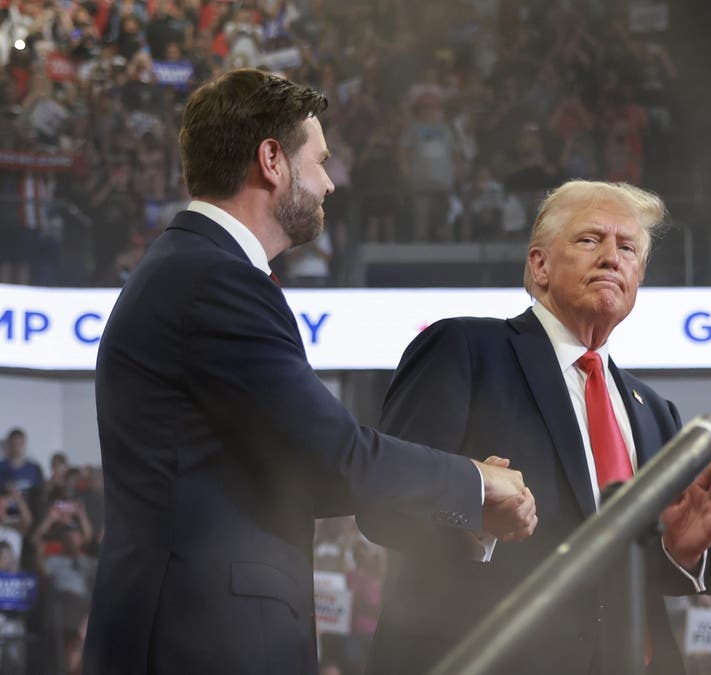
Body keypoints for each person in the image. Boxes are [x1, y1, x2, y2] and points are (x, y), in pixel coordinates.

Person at [83, 69, 536, 675]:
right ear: (272, 160)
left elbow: (306, 474)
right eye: (320, 160)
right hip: (202, 641)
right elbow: (337, 456)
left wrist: (467, 507)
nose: (328, 183)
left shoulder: (194, 270)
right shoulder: (214, 280)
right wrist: (476, 482)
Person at [358, 180, 711, 675]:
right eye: (589, 240)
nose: (610, 258)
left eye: (627, 248)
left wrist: (677, 551)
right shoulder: (465, 349)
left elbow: (638, 573)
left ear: (638, 277)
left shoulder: (655, 412)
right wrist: (473, 514)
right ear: (539, 266)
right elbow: (383, 504)